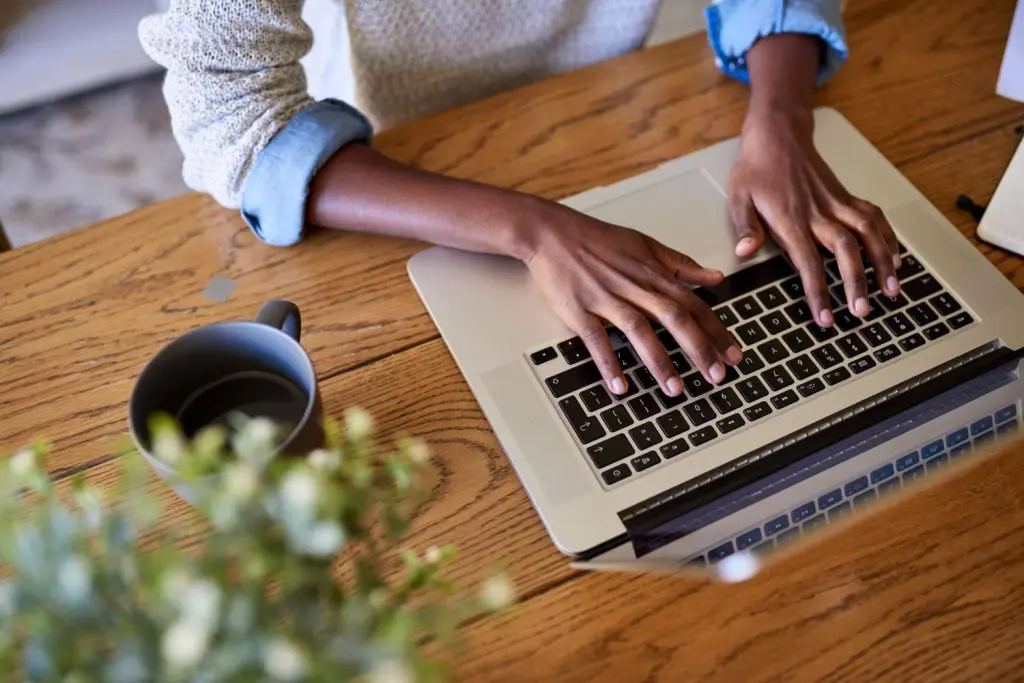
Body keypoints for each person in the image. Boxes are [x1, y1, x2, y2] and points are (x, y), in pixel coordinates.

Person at [140, 0, 902, 401]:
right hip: (402, 165)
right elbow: (229, 118)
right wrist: (533, 230)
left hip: (610, 104)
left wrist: (781, 119)